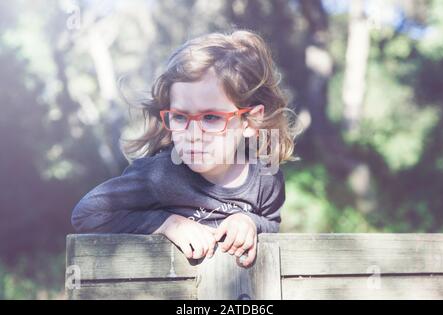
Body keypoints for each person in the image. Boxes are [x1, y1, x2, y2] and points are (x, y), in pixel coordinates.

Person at [71, 29, 301, 267]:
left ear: (250, 122)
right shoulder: (159, 176)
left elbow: (271, 222)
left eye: (211, 118)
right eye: (180, 117)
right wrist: (167, 223)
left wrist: (250, 223)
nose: (193, 135)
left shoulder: (265, 178)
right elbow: (87, 214)